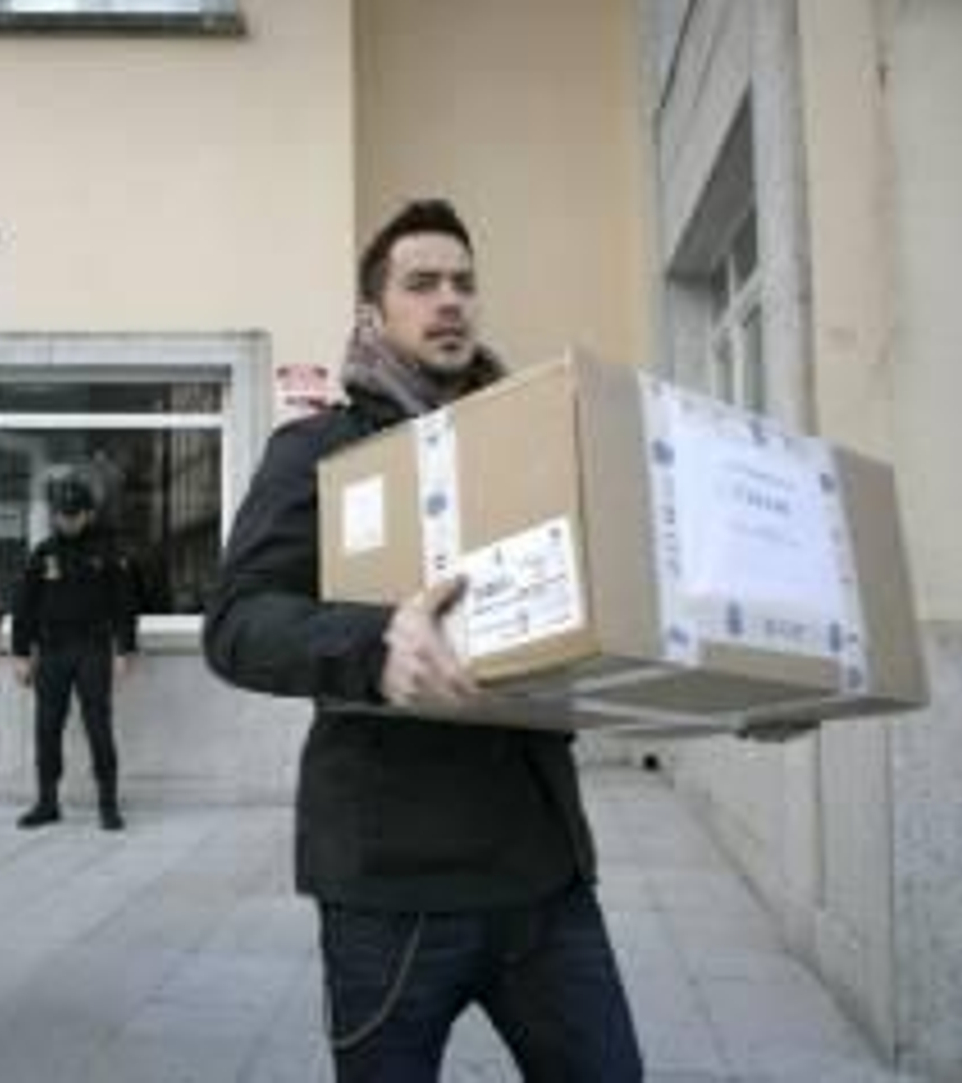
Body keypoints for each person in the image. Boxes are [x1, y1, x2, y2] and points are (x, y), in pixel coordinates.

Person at [203, 200, 642, 1082]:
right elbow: (238, 622)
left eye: (465, 283)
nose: (451, 301)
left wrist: (736, 687)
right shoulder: (317, 451)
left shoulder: (534, 449)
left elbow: (607, 606)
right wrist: (376, 643)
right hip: (390, 889)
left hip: (545, 878)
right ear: (374, 313)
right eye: (423, 283)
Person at [10, 473, 138, 832]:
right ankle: (47, 802)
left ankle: (108, 805)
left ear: (87, 514)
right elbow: (25, 607)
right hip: (51, 652)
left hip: (93, 649)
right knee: (47, 728)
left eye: (72, 514)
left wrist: (124, 649)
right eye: (60, 514)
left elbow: (125, 605)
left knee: (98, 726)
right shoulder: (43, 553)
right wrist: (20, 654)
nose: (65, 520)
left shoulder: (109, 552)